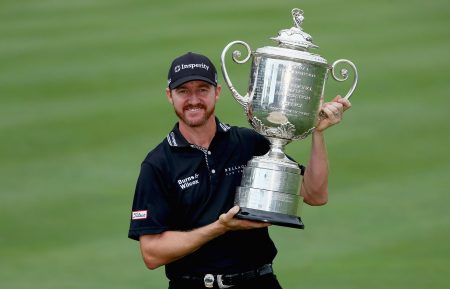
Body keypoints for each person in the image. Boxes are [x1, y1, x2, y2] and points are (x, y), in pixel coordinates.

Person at [128, 52, 351, 289]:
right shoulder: (158, 164)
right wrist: (220, 227)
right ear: (169, 96)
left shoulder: (247, 143)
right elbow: (152, 254)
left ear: (217, 92)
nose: (194, 99)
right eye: (183, 91)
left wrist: (318, 133)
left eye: (202, 89)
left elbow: (315, 195)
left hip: (259, 281)